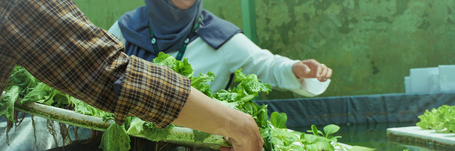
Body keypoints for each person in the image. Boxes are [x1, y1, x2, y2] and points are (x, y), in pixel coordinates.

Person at [0, 0, 263, 151]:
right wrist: (232, 121)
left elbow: (265, 64)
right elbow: (111, 73)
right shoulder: (130, 23)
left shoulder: (221, 35)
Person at [109, 0, 333, 95]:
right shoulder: (126, 28)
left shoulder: (219, 37)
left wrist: (297, 69)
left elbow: (266, 65)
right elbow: (95, 67)